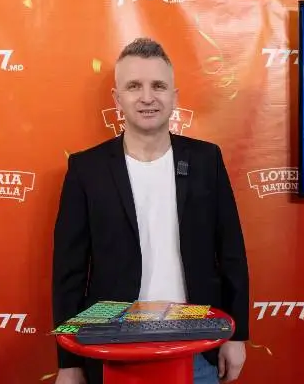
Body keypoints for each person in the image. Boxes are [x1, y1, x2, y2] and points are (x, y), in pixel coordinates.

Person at [52, 37, 249, 384]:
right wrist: (69, 362)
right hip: (111, 351)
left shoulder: (206, 160)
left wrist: (237, 335)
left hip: (196, 347)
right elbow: (69, 272)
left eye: (158, 86)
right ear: (117, 99)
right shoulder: (86, 169)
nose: (147, 97)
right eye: (134, 86)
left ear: (174, 95)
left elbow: (231, 252)